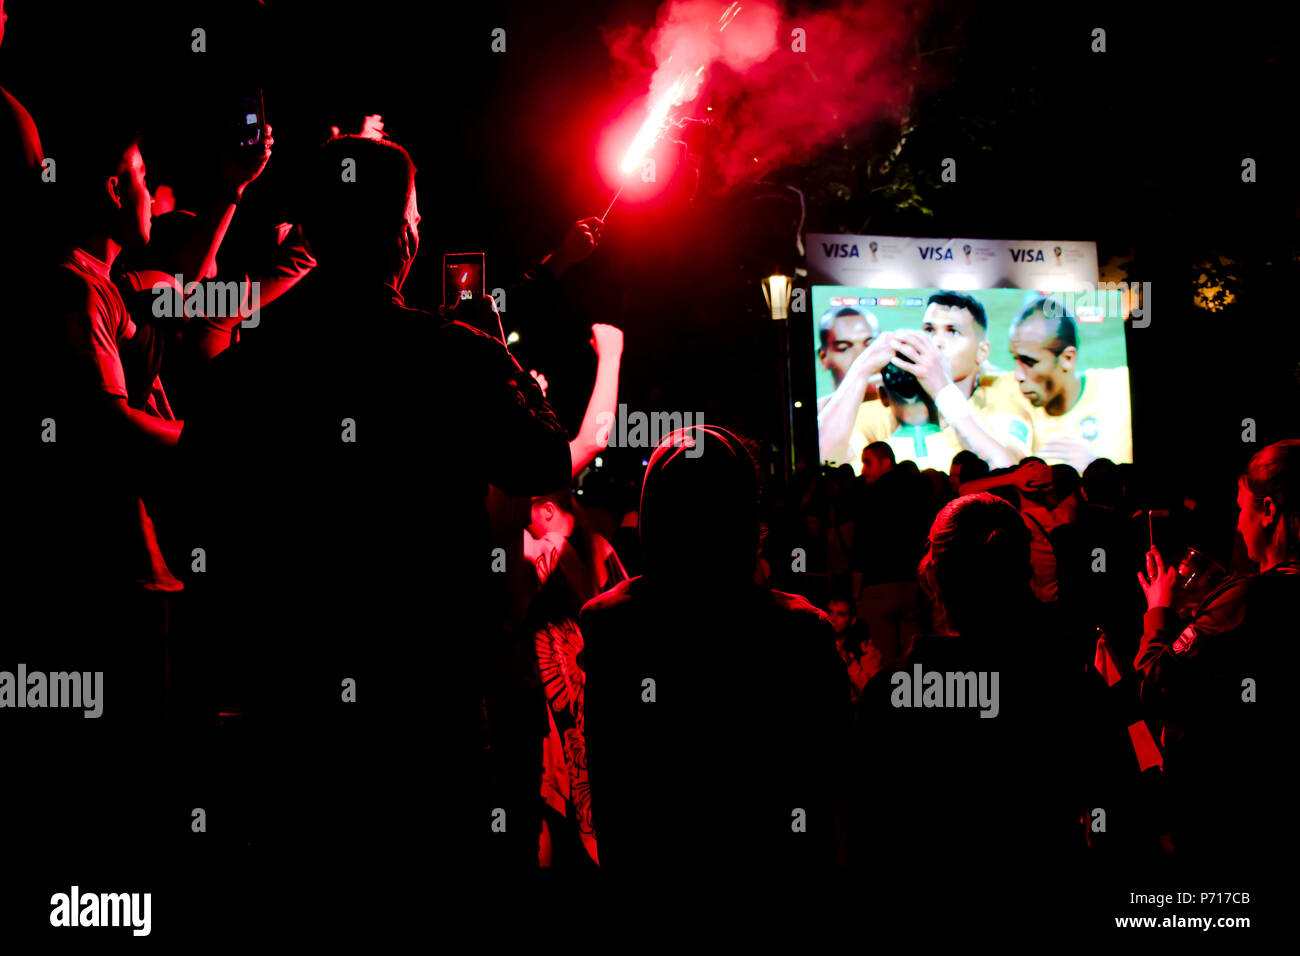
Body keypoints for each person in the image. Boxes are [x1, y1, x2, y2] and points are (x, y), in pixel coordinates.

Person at [179, 133, 572, 868]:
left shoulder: (244, 372)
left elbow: (197, 513)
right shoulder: (456, 356)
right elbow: (543, 457)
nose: (419, 230)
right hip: (428, 708)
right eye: (415, 216)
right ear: (401, 237)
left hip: (292, 710)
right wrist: (500, 351)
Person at [581, 425, 850, 868]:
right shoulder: (800, 629)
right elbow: (825, 783)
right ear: (744, 517)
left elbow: (613, 789)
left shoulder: (610, 622)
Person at [1134, 439, 1299, 862]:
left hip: (1228, 814)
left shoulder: (1249, 598)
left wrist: (1158, 609)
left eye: (1240, 508)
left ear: (1268, 511)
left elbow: (1153, 684)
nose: (1238, 522)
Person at [522, 489, 627, 866]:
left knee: (553, 807)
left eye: (528, 510)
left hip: (556, 695)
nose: (523, 519)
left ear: (547, 510)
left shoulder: (537, 550)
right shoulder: (601, 548)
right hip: (596, 689)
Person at [821, 292, 1034, 473]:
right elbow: (823, 459)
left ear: (982, 352)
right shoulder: (885, 409)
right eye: (929, 330)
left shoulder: (1001, 400)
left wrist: (941, 388)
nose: (937, 342)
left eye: (953, 332)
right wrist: (861, 368)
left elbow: (1008, 469)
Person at [1008, 296, 1132, 471]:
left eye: (1029, 362)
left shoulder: (1118, 389)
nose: (1018, 376)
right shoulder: (1008, 392)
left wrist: (1094, 466)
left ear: (1067, 358)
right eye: (1016, 359)